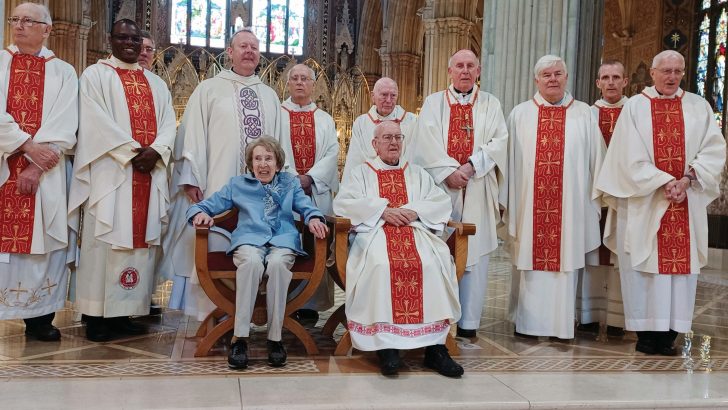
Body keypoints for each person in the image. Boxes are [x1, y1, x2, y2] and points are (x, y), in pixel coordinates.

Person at [595, 50, 726, 355]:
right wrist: (664, 180)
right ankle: (646, 336)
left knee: (678, 274)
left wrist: (687, 179)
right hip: (645, 202)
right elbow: (627, 156)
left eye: (677, 71)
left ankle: (669, 335)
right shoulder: (636, 108)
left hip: (686, 201)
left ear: (683, 73)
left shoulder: (698, 106)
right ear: (652, 73)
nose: (671, 76)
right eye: (665, 71)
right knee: (644, 268)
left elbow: (714, 150)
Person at [68, 19, 176, 342]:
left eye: (135, 39)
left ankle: (125, 311)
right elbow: (94, 121)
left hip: (148, 171)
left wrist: (156, 151)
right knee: (104, 242)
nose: (129, 43)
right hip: (111, 174)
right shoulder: (95, 76)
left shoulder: (156, 84)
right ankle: (96, 314)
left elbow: (170, 122)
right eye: (123, 38)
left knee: (139, 244)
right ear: (111, 40)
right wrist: (134, 153)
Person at [162, 28, 282, 318]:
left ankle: (253, 314)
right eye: (243, 46)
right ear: (229, 52)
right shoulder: (209, 89)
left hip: (262, 198)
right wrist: (190, 178)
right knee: (214, 244)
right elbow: (191, 136)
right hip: (217, 188)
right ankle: (212, 312)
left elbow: (281, 148)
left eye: (254, 47)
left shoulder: (270, 96)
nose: (249, 51)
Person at [334, 121, 463, 378]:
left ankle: (435, 349)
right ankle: (386, 347)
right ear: (375, 144)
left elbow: (439, 201)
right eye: (387, 138)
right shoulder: (361, 173)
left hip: (416, 233)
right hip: (375, 234)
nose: (393, 143)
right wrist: (382, 210)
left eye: (397, 137)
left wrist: (415, 211)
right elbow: (344, 204)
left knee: (431, 264)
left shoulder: (417, 173)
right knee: (382, 264)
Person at [188, 136, 328, 369]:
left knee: (277, 265)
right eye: (258, 159)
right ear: (251, 164)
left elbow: (307, 206)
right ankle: (240, 338)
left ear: (278, 163)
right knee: (251, 263)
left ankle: (275, 339)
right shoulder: (237, 184)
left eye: (269, 159)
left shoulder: (290, 183)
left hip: (282, 241)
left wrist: (313, 217)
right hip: (248, 241)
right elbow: (203, 206)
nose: (263, 164)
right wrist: (199, 215)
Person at [505, 55, 605, 340]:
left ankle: (561, 325)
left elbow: (597, 162)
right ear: (536, 80)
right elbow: (510, 164)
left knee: (564, 263)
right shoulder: (520, 114)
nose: (552, 79)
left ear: (566, 77)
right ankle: (527, 324)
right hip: (528, 206)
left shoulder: (584, 113)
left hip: (570, 208)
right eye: (546, 75)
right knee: (530, 261)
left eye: (557, 73)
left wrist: (594, 200)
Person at [413, 49, 508, 338]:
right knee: (439, 252)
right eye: (459, 66)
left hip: (477, 187)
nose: (465, 71)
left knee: (475, 255)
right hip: (442, 190)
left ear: (478, 71)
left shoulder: (491, 103)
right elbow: (424, 143)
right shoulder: (433, 103)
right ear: (449, 71)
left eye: (470, 66)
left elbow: (499, 141)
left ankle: (468, 324)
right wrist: (448, 172)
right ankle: (438, 317)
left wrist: (469, 167)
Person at [0, 2, 77, 341]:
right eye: (15, 19)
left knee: (44, 239)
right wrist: (26, 146)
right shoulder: (0, 62)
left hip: (46, 171)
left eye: (28, 21)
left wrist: (34, 165)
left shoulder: (63, 71)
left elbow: (66, 122)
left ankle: (39, 318)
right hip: (5, 165)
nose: (19, 26)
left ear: (46, 29)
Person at [280, 64, 339, 319]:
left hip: (316, 194)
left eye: (305, 79)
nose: (300, 83)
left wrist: (310, 178)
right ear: (288, 83)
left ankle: (311, 304)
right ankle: (286, 300)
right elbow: (272, 152)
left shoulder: (325, 119)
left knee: (316, 247)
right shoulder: (277, 115)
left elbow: (332, 154)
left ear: (314, 85)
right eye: (295, 78)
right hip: (285, 195)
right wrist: (294, 179)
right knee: (288, 246)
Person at [577, 60, 629, 336]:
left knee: (620, 257)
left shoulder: (635, 112)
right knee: (590, 256)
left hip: (624, 199)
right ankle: (587, 315)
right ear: (597, 83)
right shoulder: (585, 114)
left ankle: (618, 320)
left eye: (616, 77)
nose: (610, 82)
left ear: (625, 81)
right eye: (605, 77)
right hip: (591, 196)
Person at [342, 77, 416, 183]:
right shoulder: (362, 123)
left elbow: (414, 156)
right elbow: (355, 159)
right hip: (370, 182)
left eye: (393, 95)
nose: (389, 100)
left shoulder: (411, 121)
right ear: (373, 96)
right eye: (384, 95)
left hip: (404, 180)